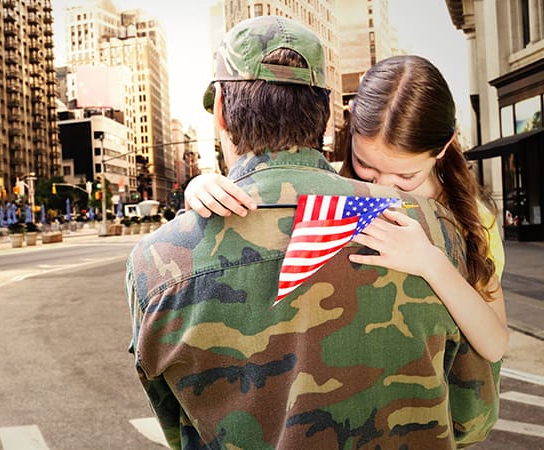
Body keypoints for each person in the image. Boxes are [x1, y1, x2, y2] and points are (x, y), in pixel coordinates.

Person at [125, 17, 499, 449]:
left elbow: (178, 427)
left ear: (222, 111)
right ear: (323, 114)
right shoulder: (429, 226)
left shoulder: (155, 263)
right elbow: (473, 418)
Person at [185, 54, 508, 363]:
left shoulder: (470, 217)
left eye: (406, 175)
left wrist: (433, 264)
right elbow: (265, 217)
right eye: (366, 165)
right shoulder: (328, 184)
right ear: (351, 122)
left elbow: (495, 344)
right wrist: (203, 188)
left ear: (444, 147)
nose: (385, 184)